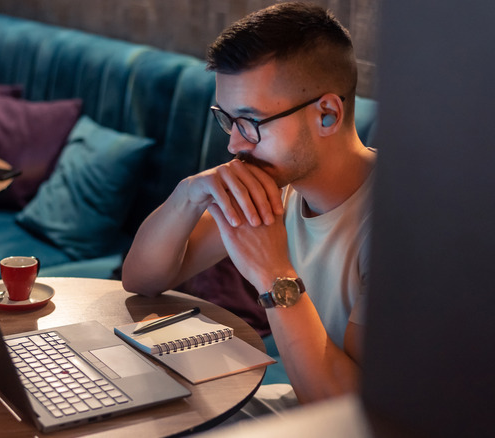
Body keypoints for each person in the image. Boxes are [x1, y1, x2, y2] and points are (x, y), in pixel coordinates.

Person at [122, 2, 375, 407]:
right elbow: (141, 280)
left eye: (250, 122)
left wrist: (274, 276)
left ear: (326, 114)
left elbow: (350, 411)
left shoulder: (399, 226)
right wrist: (188, 194)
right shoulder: (275, 184)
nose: (234, 144)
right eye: (227, 118)